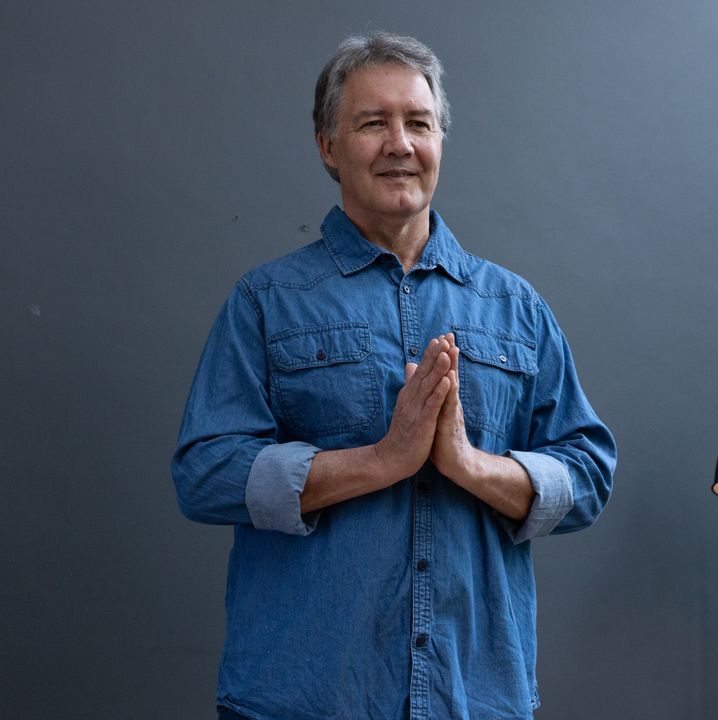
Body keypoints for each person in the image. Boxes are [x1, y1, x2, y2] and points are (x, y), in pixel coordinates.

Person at [172, 31, 616, 720]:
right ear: (328, 146)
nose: (400, 144)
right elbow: (204, 472)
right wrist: (380, 461)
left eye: (419, 123)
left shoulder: (516, 308)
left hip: (475, 697)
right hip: (305, 700)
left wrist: (469, 465)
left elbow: (588, 475)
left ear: (441, 140)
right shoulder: (265, 303)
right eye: (372, 123)